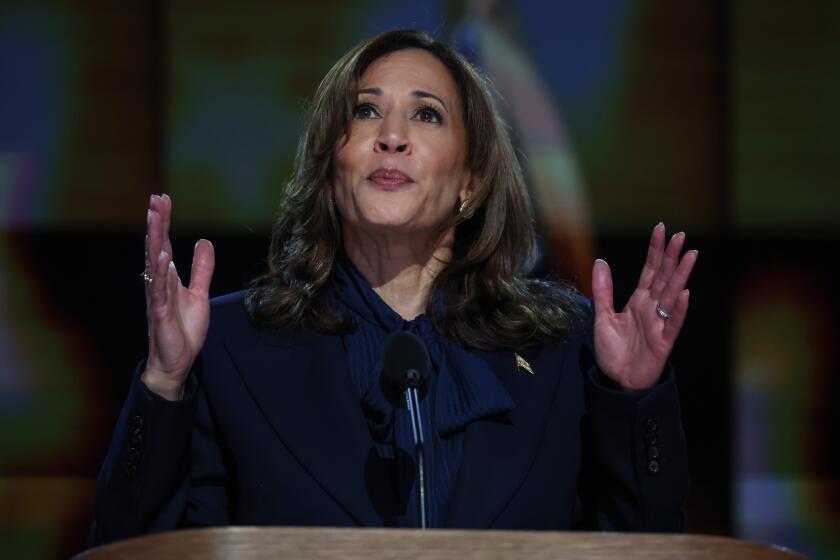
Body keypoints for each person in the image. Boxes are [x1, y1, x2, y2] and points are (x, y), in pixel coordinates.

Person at [90, 29, 697, 545]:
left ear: (471, 183)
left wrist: (634, 399)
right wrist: (163, 385)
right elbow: (136, 551)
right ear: (331, 171)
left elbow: (642, 547)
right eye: (366, 111)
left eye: (426, 114)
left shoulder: (564, 346)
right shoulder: (228, 346)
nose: (392, 136)